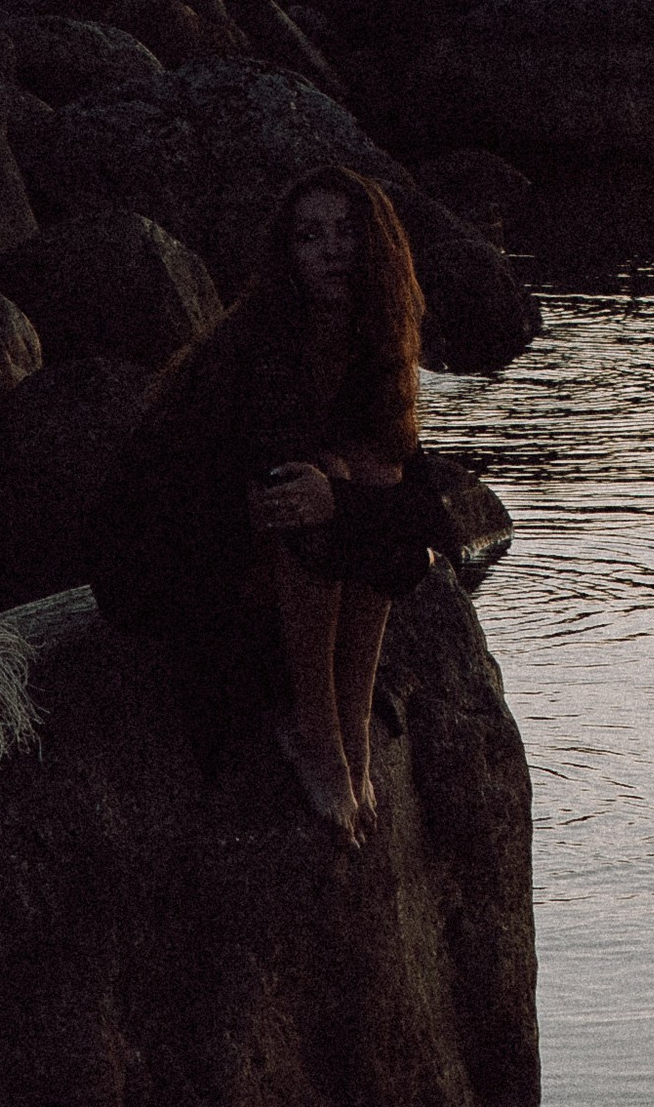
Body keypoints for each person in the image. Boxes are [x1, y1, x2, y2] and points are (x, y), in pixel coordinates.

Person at [86, 164, 459, 846]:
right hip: (168, 553)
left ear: (376, 244)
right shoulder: (263, 344)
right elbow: (275, 500)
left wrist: (347, 496)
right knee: (319, 493)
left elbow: (424, 519)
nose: (332, 250)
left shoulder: (373, 343)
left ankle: (351, 729)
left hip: (252, 538)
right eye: (309, 236)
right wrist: (342, 497)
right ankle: (318, 738)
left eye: (347, 232)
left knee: (365, 478)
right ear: (287, 254)